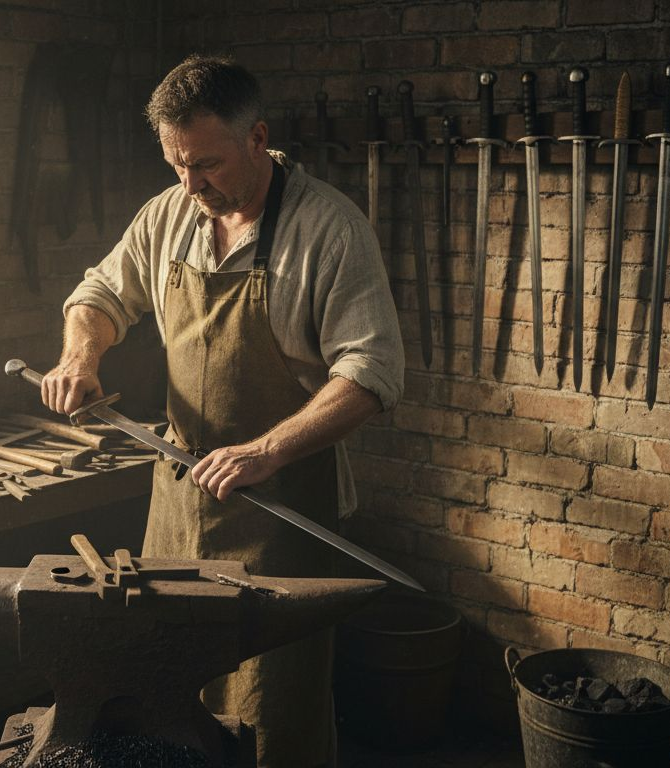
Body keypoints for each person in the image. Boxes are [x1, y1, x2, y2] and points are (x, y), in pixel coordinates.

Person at [41, 54, 404, 768]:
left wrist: (265, 452)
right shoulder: (169, 214)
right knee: (169, 698)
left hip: (281, 508)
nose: (190, 184)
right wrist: (80, 359)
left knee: (273, 712)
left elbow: (370, 373)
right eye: (177, 164)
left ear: (257, 138)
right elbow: (98, 296)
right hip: (179, 499)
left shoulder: (329, 229)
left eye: (205, 164)